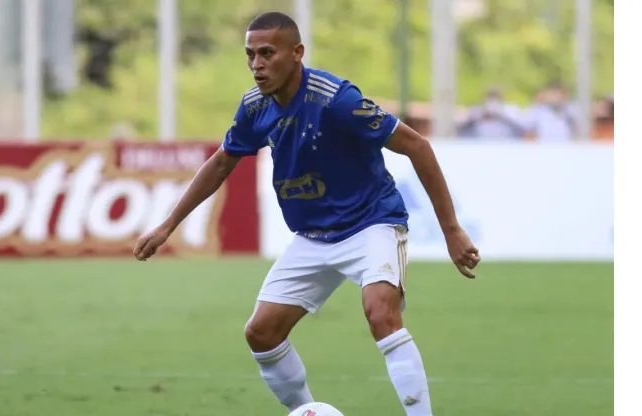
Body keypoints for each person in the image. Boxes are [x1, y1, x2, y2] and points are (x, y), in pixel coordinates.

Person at [133, 11, 481, 415]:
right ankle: (306, 411)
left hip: (372, 224)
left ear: (297, 53)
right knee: (261, 333)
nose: (257, 65)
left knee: (380, 313)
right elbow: (221, 163)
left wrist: (451, 229)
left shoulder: (337, 100)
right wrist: (167, 225)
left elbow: (417, 145)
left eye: (267, 53)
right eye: (250, 55)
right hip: (313, 236)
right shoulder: (254, 106)